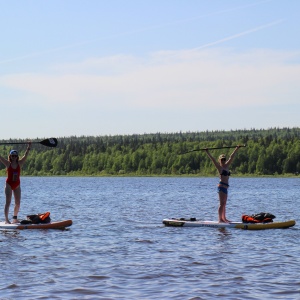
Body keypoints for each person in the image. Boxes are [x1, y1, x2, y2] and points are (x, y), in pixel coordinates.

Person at [205, 146, 240, 223]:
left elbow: (231, 157)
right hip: (221, 187)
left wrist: (236, 148)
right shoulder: (219, 167)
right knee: (221, 204)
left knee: (224, 204)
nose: (223, 161)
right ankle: (220, 219)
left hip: (226, 188)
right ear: (220, 160)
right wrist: (207, 152)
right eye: (222, 159)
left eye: (224, 159)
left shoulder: (227, 166)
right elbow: (213, 159)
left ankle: (224, 218)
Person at [0, 142, 31, 223]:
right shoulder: (7, 163)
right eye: (12, 156)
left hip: (17, 185)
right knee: (8, 202)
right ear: (10, 156)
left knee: (17, 203)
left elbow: (26, 156)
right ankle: (6, 220)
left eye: (15, 156)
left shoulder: (20, 163)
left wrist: (29, 147)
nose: (14, 157)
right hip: (9, 184)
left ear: (17, 157)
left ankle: (14, 218)